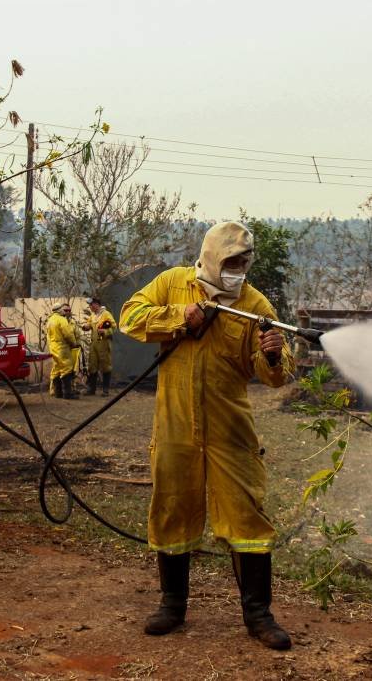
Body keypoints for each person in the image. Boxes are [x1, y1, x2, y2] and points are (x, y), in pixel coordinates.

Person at [119, 221, 294, 650]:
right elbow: (130, 318)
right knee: (172, 507)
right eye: (231, 262)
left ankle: (258, 615)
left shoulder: (253, 304)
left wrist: (272, 355)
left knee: (246, 516)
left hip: (230, 429)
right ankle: (172, 605)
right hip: (175, 425)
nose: (238, 270)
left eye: (245, 262)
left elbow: (277, 374)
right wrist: (181, 316)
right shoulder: (173, 284)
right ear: (213, 258)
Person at [47, 302, 81, 400]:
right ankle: (68, 394)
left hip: (53, 347)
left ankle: (58, 393)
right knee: (66, 368)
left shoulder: (50, 320)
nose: (64, 311)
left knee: (57, 368)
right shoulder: (61, 319)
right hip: (62, 347)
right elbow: (68, 334)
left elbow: (49, 335)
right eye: (63, 309)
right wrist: (74, 343)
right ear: (60, 310)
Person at [83, 297, 116, 396]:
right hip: (94, 344)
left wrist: (105, 331)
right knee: (92, 366)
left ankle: (105, 390)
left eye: (91, 305)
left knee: (105, 365)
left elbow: (114, 327)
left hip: (103, 343)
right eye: (89, 305)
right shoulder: (93, 315)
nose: (90, 307)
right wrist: (86, 326)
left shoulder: (106, 314)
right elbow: (89, 323)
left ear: (97, 304)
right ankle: (91, 389)